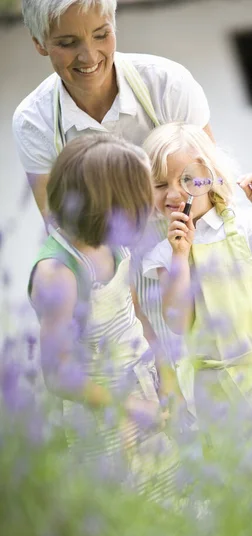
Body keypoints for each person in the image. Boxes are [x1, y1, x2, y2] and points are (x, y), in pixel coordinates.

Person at [13, 0, 214, 371]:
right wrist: (145, 342)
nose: (89, 55)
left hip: (192, 265)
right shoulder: (34, 122)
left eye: (102, 35)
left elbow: (210, 190)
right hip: (114, 292)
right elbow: (67, 239)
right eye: (67, 42)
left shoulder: (167, 84)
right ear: (40, 42)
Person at [28, 133, 179, 498]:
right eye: (142, 198)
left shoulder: (114, 241)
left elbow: (134, 312)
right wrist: (128, 408)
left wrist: (166, 374)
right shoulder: (58, 272)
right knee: (127, 514)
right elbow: (58, 373)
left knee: (171, 500)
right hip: (104, 418)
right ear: (111, 204)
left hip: (145, 393)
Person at [142, 123, 252, 426]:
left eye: (186, 179)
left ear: (210, 177)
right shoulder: (165, 253)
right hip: (217, 396)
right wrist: (180, 257)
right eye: (159, 185)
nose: (173, 193)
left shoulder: (248, 226)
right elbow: (177, 322)